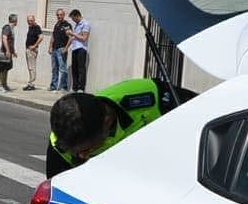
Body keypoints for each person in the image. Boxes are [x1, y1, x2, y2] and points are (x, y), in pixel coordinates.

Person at [45, 76, 182, 178]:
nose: (82, 156)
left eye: (87, 150)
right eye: (75, 153)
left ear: (107, 121)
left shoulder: (151, 96)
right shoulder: (60, 146)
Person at [67, 8, 91, 92]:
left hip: (81, 48)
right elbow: (75, 37)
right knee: (74, 69)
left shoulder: (85, 24)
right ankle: (75, 87)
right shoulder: (77, 25)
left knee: (81, 69)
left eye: (73, 18)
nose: (73, 21)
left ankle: (81, 88)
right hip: (74, 48)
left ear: (77, 16)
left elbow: (84, 38)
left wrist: (73, 33)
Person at [49, 8, 71, 91]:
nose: (59, 16)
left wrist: (66, 48)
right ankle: (53, 86)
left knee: (63, 69)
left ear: (64, 15)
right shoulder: (56, 25)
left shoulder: (67, 25)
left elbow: (71, 38)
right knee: (54, 69)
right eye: (58, 15)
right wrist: (50, 47)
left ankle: (63, 87)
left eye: (61, 15)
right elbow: (53, 36)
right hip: (54, 49)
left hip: (61, 49)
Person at [0, 13, 17, 91]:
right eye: (16, 20)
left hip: (8, 52)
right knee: (2, 69)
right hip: (4, 52)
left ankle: (4, 84)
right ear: (14, 20)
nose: (17, 22)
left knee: (6, 69)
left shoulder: (11, 28)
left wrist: (13, 52)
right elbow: (4, 39)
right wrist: (7, 50)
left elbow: (10, 42)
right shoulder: (7, 28)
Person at [22, 13, 43, 91]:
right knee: (30, 67)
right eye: (28, 21)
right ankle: (30, 83)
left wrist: (34, 46)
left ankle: (31, 83)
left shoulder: (36, 27)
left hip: (32, 50)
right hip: (28, 50)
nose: (29, 22)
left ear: (34, 20)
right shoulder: (30, 27)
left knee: (32, 67)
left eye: (31, 20)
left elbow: (41, 37)